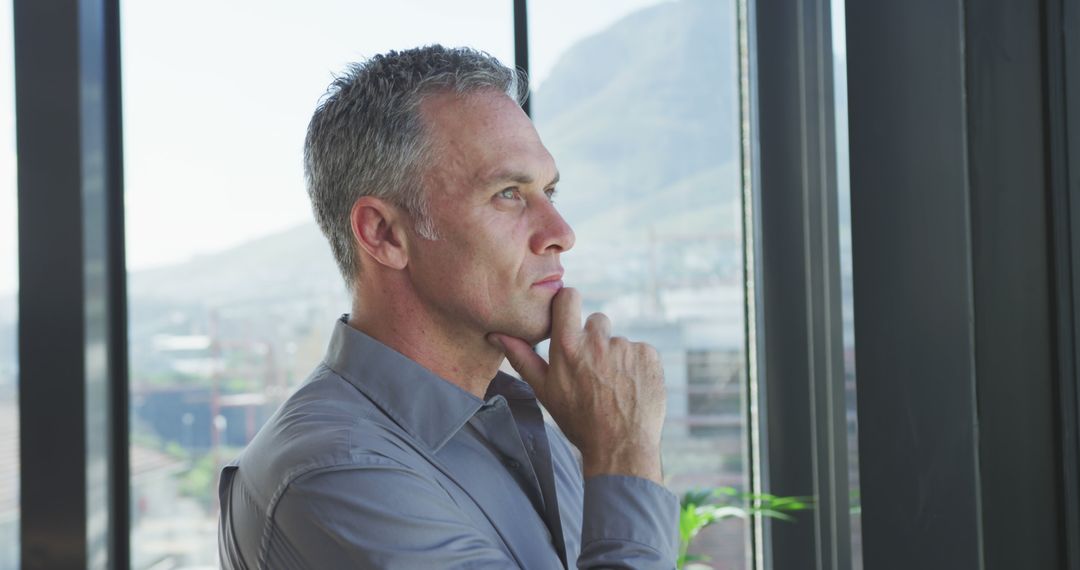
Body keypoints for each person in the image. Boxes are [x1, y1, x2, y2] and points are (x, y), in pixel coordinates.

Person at [217, 45, 678, 569]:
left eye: (550, 190)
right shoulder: (335, 472)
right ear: (384, 233)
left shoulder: (526, 430)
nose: (561, 233)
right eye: (509, 193)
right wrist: (624, 454)